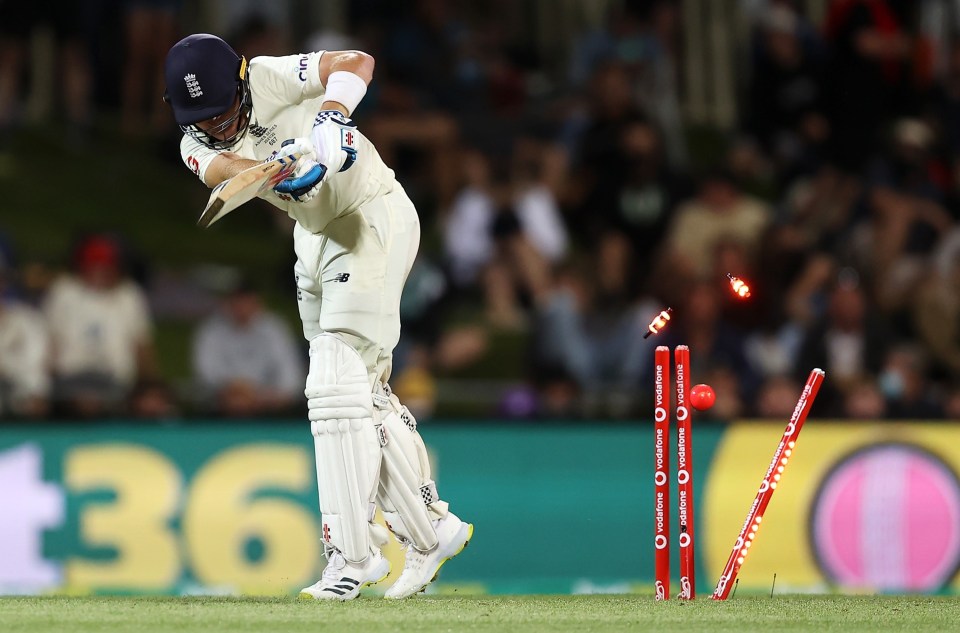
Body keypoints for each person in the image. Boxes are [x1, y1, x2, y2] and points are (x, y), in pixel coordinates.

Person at [163, 34, 472, 600]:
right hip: (317, 237)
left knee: (334, 383)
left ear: (240, 79)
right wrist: (280, 168)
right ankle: (432, 531)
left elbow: (357, 61)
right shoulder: (195, 139)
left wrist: (332, 115)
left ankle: (351, 559)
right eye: (206, 121)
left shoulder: (266, 75)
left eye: (226, 111)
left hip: (370, 215)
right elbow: (222, 169)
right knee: (357, 396)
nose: (220, 127)